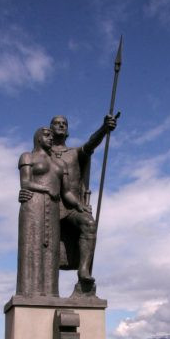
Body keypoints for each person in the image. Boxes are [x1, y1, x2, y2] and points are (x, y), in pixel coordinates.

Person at [16, 127, 86, 297]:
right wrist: (46, 189)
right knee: (31, 246)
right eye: (46, 135)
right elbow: (25, 183)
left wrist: (79, 205)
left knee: (51, 250)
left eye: (51, 136)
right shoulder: (27, 156)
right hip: (34, 204)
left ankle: (50, 294)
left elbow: (66, 192)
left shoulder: (60, 164)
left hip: (53, 209)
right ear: (38, 138)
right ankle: (27, 294)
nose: (50, 138)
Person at [49, 114, 117, 286]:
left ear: (67, 130)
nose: (61, 125)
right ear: (50, 129)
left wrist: (104, 129)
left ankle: (84, 271)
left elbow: (90, 144)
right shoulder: (42, 155)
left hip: (72, 207)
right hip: (48, 206)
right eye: (57, 123)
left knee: (89, 224)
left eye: (64, 123)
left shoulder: (73, 153)